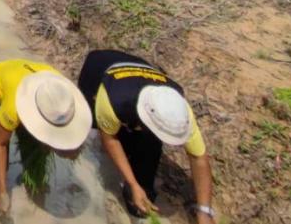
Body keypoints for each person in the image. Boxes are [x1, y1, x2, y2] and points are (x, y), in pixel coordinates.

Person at [77, 50, 215, 224]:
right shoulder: (114, 99)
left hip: (141, 74)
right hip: (97, 68)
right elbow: (109, 140)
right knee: (94, 130)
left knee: (141, 198)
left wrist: (204, 211)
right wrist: (132, 184)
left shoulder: (180, 112)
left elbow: (199, 158)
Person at [0, 59, 92, 218]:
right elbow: (0, 144)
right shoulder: (14, 107)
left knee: (35, 150)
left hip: (33, 83)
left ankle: (34, 191)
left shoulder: (65, 101)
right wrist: (2, 192)